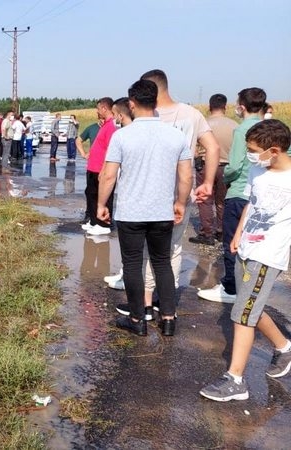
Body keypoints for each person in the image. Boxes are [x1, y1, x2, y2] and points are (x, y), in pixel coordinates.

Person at [199, 119, 291, 401]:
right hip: (247, 248)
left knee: (243, 314)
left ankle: (236, 380)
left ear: (273, 150)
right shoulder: (257, 169)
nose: (250, 154)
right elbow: (252, 204)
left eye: (253, 150)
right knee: (247, 305)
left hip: (267, 256)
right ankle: (284, 347)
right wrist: (238, 234)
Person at [97, 79, 193, 336]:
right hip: (162, 211)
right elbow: (186, 177)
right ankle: (169, 318)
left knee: (132, 264)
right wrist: (180, 202)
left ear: (131, 103)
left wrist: (101, 204)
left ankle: (138, 320)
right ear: (156, 103)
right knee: (162, 263)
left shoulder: (122, 136)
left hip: (131, 212)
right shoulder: (176, 136)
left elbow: (108, 176)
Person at [198, 88, 267, 303]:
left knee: (232, 242)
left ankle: (231, 287)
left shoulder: (242, 130)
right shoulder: (269, 128)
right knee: (254, 242)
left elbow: (235, 166)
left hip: (239, 191)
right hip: (262, 193)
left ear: (241, 106)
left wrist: (226, 177)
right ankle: (252, 286)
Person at [189, 94, 239, 246]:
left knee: (205, 201)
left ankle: (207, 233)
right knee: (222, 201)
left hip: (206, 165)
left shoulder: (204, 124)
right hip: (227, 167)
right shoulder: (234, 125)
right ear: (225, 107)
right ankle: (222, 231)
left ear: (209, 107)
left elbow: (193, 148)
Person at [82, 98, 117, 236]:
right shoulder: (105, 125)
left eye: (98, 108)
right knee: (91, 194)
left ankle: (104, 224)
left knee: (104, 196)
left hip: (100, 168)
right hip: (93, 167)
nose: (97, 111)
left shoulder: (111, 126)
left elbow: (110, 149)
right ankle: (94, 221)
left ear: (104, 108)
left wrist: (105, 168)